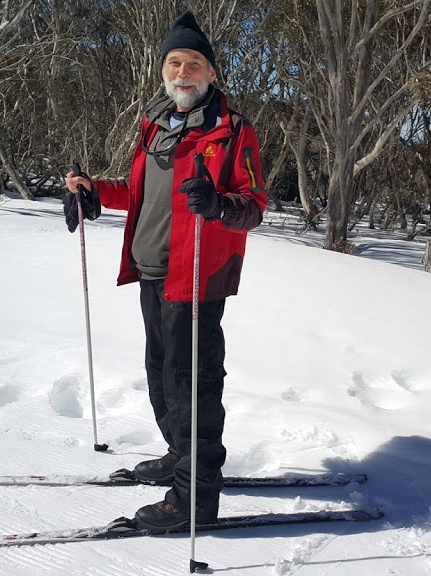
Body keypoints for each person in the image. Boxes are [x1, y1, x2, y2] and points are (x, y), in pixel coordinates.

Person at [63, 11, 266, 531]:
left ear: (212, 74)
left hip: (196, 276)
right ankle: (178, 459)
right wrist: (94, 193)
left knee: (193, 386)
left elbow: (254, 205)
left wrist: (218, 204)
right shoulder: (156, 126)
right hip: (152, 272)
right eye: (174, 62)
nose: (183, 71)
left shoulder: (233, 131)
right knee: (160, 376)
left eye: (194, 63)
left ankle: (193, 500)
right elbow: (141, 196)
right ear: (163, 72)